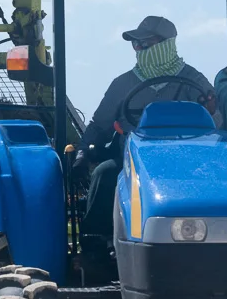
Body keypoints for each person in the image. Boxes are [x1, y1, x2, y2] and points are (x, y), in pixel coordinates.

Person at [74, 15, 216, 238]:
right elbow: (100, 125)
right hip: (131, 161)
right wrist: (83, 152)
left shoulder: (194, 81)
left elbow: (214, 125)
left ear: (167, 45)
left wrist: (213, 110)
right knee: (104, 174)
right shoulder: (123, 83)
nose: (139, 49)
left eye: (146, 44)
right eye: (136, 44)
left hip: (185, 161)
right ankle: (95, 249)